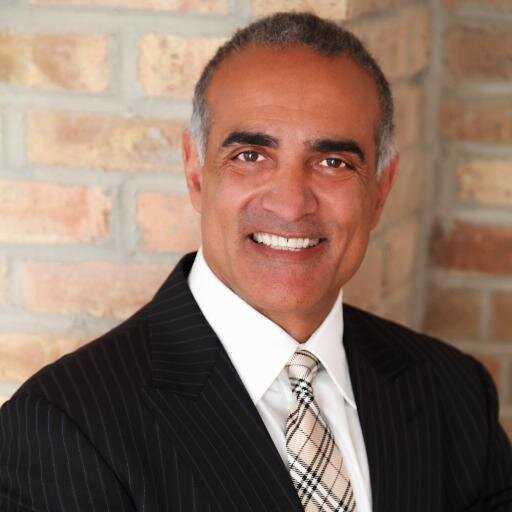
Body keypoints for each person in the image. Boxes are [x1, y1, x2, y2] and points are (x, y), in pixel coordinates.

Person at [1, 11, 511, 512]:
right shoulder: (63, 428)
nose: (290, 205)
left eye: (333, 162)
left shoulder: (454, 392)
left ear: (380, 189)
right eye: (251, 156)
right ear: (196, 173)